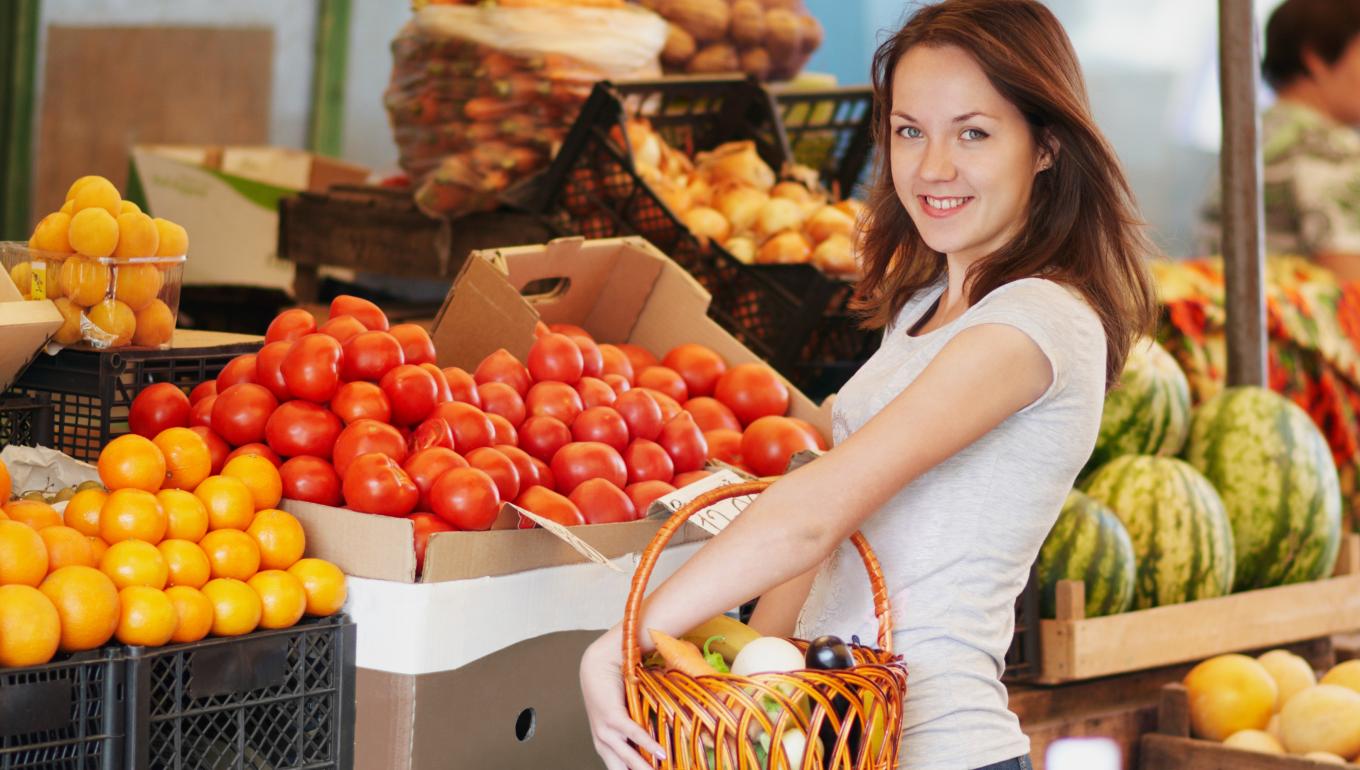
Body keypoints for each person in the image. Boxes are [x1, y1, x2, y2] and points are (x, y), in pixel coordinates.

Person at [579, 1, 1158, 768]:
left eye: (973, 133)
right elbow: (824, 540)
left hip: (943, 749)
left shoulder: (1036, 324)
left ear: (1046, 144)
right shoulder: (924, 308)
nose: (933, 167)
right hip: (837, 737)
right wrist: (762, 670)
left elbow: (816, 515)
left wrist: (621, 644)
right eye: (910, 130)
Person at [1201, 0, 1360, 283]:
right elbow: (1352, 288)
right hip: (1293, 325)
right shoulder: (1328, 147)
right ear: (1318, 57)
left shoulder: (1254, 133)